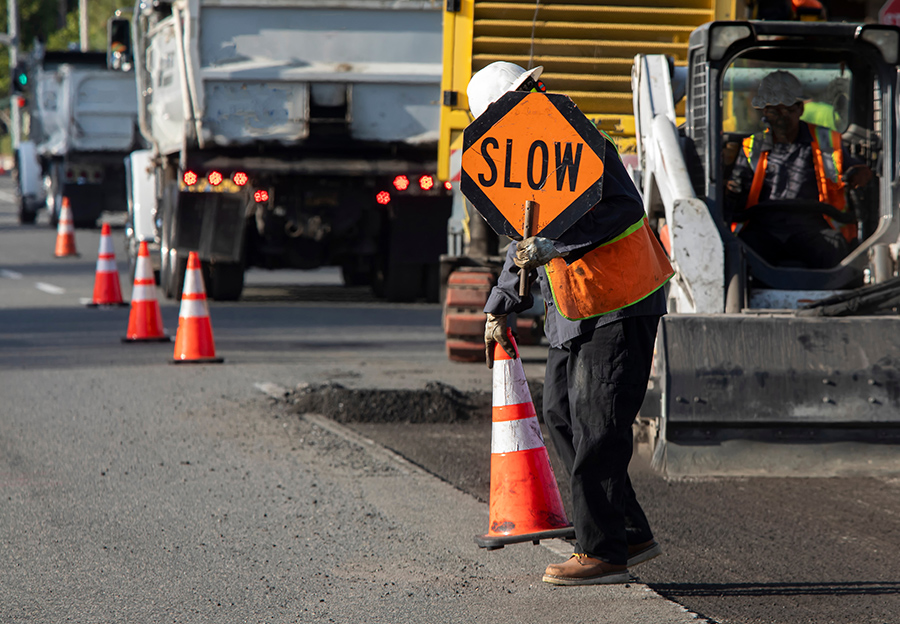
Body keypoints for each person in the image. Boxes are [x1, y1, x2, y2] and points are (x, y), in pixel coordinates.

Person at [467, 61, 673, 585]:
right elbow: (526, 236)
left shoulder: (578, 140)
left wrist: (557, 244)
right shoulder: (520, 155)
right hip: (575, 305)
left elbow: (624, 210)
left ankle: (603, 551)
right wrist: (501, 304)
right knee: (561, 413)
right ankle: (625, 529)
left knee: (596, 421)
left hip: (620, 297)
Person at [726, 70, 872, 269]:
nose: (781, 117)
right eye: (773, 110)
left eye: (787, 110)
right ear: (764, 112)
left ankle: (839, 297)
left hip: (813, 226)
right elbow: (738, 188)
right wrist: (730, 189)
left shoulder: (826, 141)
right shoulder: (752, 146)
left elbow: (854, 170)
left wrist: (859, 172)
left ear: (800, 109)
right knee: (739, 250)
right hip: (765, 227)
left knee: (835, 248)